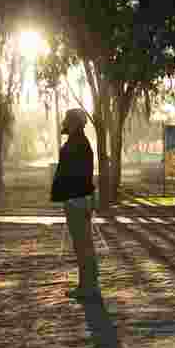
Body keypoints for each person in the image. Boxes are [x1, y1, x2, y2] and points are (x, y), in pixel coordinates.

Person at [51, 108, 100, 300]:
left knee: (82, 245)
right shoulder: (78, 142)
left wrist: (73, 197)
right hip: (78, 198)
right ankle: (88, 284)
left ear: (74, 123)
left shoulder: (77, 143)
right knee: (83, 244)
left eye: (68, 121)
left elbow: (77, 175)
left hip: (77, 199)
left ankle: (88, 286)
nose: (65, 123)